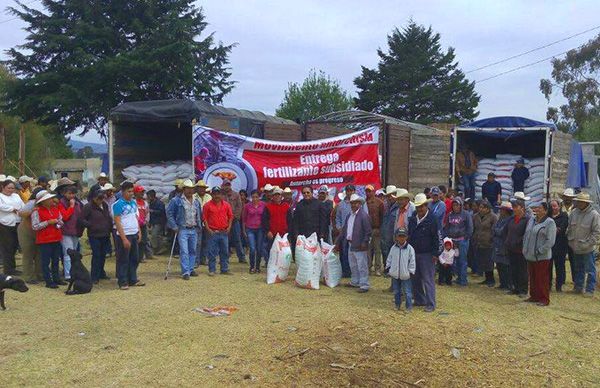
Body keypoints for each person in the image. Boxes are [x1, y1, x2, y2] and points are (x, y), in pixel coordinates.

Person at [408, 193, 441, 312]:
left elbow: (437, 238)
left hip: (427, 254)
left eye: (422, 206)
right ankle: (419, 299)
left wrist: (435, 254)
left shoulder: (433, 220)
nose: (419, 209)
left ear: (426, 205)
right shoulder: (412, 219)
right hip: (414, 252)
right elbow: (409, 235)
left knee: (428, 279)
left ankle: (431, 304)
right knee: (415, 278)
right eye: (417, 207)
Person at [334, 194, 372, 293]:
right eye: (352, 203)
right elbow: (344, 230)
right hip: (351, 243)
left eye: (356, 203)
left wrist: (365, 242)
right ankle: (355, 281)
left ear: (360, 204)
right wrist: (337, 242)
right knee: (353, 264)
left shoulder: (364, 216)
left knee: (362, 265)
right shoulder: (349, 216)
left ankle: (364, 285)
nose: (354, 205)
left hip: (360, 244)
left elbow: (368, 231)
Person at [167, 179, 202, 280]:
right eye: (188, 189)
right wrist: (174, 226)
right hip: (182, 228)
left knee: (193, 250)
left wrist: (199, 226)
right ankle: (185, 271)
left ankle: (191, 269)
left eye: (191, 189)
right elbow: (169, 213)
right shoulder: (176, 200)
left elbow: (198, 214)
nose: (190, 191)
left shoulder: (196, 201)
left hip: (194, 228)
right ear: (184, 189)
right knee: (184, 251)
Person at [112, 181, 144, 290]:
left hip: (134, 233)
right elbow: (117, 222)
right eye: (129, 191)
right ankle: (123, 281)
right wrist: (124, 238)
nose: (131, 194)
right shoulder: (118, 204)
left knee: (134, 258)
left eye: (132, 191)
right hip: (124, 235)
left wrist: (139, 231)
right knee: (123, 259)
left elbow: (136, 218)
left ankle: (133, 279)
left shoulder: (133, 203)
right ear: (123, 192)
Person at [567, 192, 600, 296]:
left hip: (587, 248)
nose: (579, 203)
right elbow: (569, 228)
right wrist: (569, 238)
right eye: (578, 201)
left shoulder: (594, 215)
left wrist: (588, 243)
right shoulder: (574, 212)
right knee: (578, 268)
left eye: (581, 202)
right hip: (575, 246)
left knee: (590, 269)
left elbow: (597, 232)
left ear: (586, 203)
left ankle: (590, 290)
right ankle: (578, 287)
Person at [523, 202, 556, 306]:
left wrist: (540, 250)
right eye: (537, 207)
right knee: (532, 277)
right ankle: (534, 296)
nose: (537, 209)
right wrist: (525, 247)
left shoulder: (550, 222)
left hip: (542, 256)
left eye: (540, 208)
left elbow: (550, 241)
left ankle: (544, 299)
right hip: (530, 254)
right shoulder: (532, 220)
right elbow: (527, 234)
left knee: (541, 278)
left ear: (546, 211)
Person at [31, 190, 65, 288]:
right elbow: (35, 226)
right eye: (48, 199)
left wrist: (59, 223)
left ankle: (56, 278)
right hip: (44, 239)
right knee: (46, 261)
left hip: (56, 237)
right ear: (43, 201)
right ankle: (48, 281)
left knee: (55, 260)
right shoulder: (36, 211)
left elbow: (61, 220)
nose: (51, 200)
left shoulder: (55, 209)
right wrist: (48, 222)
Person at [81, 190, 113, 283]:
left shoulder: (105, 205)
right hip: (94, 235)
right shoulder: (88, 207)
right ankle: (94, 276)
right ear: (94, 198)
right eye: (98, 198)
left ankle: (101, 272)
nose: (100, 200)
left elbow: (108, 216)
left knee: (103, 255)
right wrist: (90, 225)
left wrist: (109, 226)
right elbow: (81, 219)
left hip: (105, 233)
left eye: (102, 198)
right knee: (96, 255)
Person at [203, 186, 234, 276]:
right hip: (213, 232)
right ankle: (212, 269)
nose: (217, 195)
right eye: (215, 194)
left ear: (221, 195)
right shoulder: (207, 205)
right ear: (212, 194)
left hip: (224, 232)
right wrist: (208, 230)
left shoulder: (226, 205)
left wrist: (229, 227)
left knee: (225, 251)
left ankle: (224, 269)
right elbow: (204, 218)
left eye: (218, 194)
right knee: (212, 252)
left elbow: (230, 216)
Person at [443, 197, 472, 286]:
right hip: (452, 241)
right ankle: (456, 277)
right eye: (454, 205)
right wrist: (447, 237)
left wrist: (466, 237)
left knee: (462, 261)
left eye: (457, 205)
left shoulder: (466, 214)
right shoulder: (450, 215)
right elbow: (446, 227)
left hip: (462, 241)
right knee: (452, 260)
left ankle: (463, 280)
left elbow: (470, 227)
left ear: (461, 206)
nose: (456, 207)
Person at [17, 187, 44, 284]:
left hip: (39, 232)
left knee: (39, 254)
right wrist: (32, 211)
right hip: (26, 231)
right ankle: (29, 276)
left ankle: (40, 274)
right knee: (28, 253)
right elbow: (20, 213)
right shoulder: (31, 204)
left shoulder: (49, 205)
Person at [385, 227, 415, 311]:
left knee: (407, 292)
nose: (401, 238)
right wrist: (388, 267)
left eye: (403, 236)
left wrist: (411, 271)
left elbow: (412, 261)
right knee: (396, 291)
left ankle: (409, 307)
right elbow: (389, 258)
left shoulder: (410, 249)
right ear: (396, 237)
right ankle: (397, 305)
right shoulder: (393, 248)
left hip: (406, 275)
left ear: (406, 237)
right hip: (395, 274)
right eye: (399, 236)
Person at [505, 198, 529, 298]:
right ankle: (515, 287)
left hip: (521, 249)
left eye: (516, 207)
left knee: (522, 270)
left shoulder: (527, 219)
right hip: (511, 247)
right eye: (513, 207)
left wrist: (518, 241)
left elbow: (527, 234)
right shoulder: (512, 218)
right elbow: (507, 230)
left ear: (522, 208)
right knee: (513, 269)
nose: (514, 209)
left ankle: (523, 289)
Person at [0, 179, 25, 275]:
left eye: (12, 188)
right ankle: (8, 269)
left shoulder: (16, 196)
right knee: (7, 247)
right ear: (3, 187)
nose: (11, 190)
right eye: (9, 188)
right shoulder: (0, 196)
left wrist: (23, 210)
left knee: (14, 246)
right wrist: (12, 209)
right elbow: (1, 206)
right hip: (5, 224)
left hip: (17, 222)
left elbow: (22, 206)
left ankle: (12, 267)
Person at [472, 200, 498, 287]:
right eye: (480, 207)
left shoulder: (493, 217)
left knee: (489, 261)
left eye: (483, 208)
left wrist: (492, 239)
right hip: (479, 241)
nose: (481, 209)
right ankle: (486, 278)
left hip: (488, 242)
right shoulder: (475, 216)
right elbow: (474, 228)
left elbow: (495, 229)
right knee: (482, 261)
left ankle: (491, 280)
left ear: (488, 209)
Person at [221, 179, 246, 264]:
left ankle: (242, 257)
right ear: (222, 186)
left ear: (230, 185)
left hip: (235, 221)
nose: (227, 187)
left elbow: (239, 206)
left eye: (228, 185)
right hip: (224, 221)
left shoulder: (236, 194)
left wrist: (234, 217)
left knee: (237, 239)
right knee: (225, 240)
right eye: (225, 185)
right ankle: (225, 258)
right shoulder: (220, 195)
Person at [58, 186, 80, 281]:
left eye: (73, 193)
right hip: (66, 231)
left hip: (76, 230)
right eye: (69, 193)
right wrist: (71, 207)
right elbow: (65, 217)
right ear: (64, 193)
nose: (71, 195)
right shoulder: (61, 203)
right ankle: (68, 274)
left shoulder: (77, 203)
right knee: (67, 253)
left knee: (74, 253)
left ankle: (75, 272)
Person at [242, 190, 266, 273]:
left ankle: (258, 266)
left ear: (259, 197)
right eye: (253, 197)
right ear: (251, 197)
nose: (255, 199)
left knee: (259, 249)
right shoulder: (247, 206)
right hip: (250, 228)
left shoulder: (263, 205)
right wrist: (244, 230)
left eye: (256, 197)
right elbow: (244, 219)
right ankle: (252, 266)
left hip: (260, 229)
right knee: (252, 248)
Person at [262, 188, 291, 258]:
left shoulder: (286, 206)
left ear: (281, 196)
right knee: (272, 251)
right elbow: (265, 220)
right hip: (272, 233)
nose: (277, 197)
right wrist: (268, 231)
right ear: (273, 196)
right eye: (275, 195)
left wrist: (289, 233)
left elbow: (289, 220)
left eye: (279, 195)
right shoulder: (268, 207)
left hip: (284, 234)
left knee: (283, 252)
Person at [492, 202, 513, 290]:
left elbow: (501, 232)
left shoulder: (509, 220)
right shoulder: (500, 219)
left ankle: (507, 284)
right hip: (497, 244)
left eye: (502, 209)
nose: (500, 211)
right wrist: (496, 231)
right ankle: (502, 283)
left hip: (504, 245)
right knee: (499, 265)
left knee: (505, 266)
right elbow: (494, 229)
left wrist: (496, 231)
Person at [548, 199, 568, 292]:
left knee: (560, 266)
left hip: (560, 245)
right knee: (548, 266)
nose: (553, 208)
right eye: (551, 206)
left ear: (559, 206)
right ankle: (548, 285)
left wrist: (551, 231)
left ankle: (559, 286)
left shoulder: (564, 215)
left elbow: (562, 229)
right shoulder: (548, 216)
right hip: (549, 245)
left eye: (555, 206)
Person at [365, 184, 384, 276]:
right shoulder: (364, 203)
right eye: (367, 191)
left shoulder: (379, 203)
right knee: (368, 250)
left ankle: (377, 268)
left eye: (370, 191)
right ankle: (368, 267)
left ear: (373, 192)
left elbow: (382, 216)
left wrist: (380, 228)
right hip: (367, 230)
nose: (368, 193)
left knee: (377, 250)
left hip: (376, 229)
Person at [380, 187, 400, 273]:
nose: (390, 197)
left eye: (391, 195)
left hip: (395, 234)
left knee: (395, 252)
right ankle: (387, 268)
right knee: (385, 251)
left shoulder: (399, 206)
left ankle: (394, 269)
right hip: (385, 233)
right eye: (388, 196)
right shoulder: (385, 206)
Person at [194, 180, 212, 265]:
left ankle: (204, 259)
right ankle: (196, 261)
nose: (202, 189)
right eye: (200, 188)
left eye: (203, 188)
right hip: (197, 223)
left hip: (207, 223)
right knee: (197, 243)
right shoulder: (193, 197)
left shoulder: (209, 197)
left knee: (206, 242)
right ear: (197, 188)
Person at [133, 185, 153, 262]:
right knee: (136, 241)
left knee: (143, 241)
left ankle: (140, 257)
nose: (142, 193)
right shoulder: (133, 202)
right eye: (140, 192)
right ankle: (135, 257)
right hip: (135, 225)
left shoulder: (145, 203)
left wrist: (147, 221)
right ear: (136, 193)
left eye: (143, 192)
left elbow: (147, 213)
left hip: (143, 225)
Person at [147, 190, 166, 256]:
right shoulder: (150, 203)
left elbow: (162, 212)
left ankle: (156, 248)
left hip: (159, 222)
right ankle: (159, 248)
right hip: (154, 222)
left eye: (148, 196)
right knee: (156, 236)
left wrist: (152, 211)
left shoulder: (159, 203)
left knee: (154, 235)